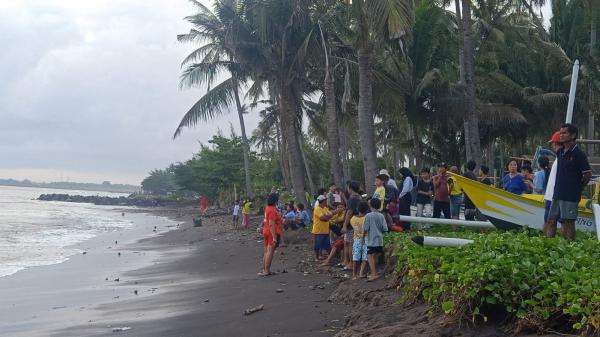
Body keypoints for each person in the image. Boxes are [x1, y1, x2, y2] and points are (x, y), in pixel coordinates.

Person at [545, 123, 592, 241]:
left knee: (568, 222)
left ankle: (569, 246)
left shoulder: (579, 154)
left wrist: (578, 187)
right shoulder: (560, 152)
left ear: (573, 135)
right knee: (551, 220)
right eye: (560, 133)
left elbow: (587, 175)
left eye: (564, 133)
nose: (561, 135)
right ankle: (548, 244)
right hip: (557, 193)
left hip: (571, 195)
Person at [363, 198, 388, 282]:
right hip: (380, 240)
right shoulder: (381, 215)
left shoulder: (368, 215)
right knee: (375, 256)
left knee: (369, 255)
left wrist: (363, 238)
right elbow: (385, 228)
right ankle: (374, 272)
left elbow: (365, 228)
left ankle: (374, 274)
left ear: (370, 205)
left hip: (372, 240)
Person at [312, 195, 343, 261]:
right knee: (318, 244)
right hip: (318, 230)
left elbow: (330, 213)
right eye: (325, 201)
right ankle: (316, 257)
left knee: (327, 244)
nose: (326, 202)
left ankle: (330, 257)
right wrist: (329, 216)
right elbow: (322, 218)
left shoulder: (325, 208)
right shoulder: (317, 209)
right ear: (322, 202)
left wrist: (337, 210)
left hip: (325, 230)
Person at [259, 193, 283, 276]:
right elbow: (271, 224)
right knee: (270, 251)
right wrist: (274, 237)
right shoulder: (272, 210)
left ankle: (265, 269)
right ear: (276, 201)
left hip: (266, 231)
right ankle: (266, 271)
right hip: (271, 232)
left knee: (266, 251)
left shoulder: (267, 208)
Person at [342, 181, 362, 271]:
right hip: (357, 222)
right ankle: (350, 262)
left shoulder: (352, 198)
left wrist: (345, 225)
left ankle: (351, 263)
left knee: (350, 244)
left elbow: (349, 212)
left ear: (350, 188)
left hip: (351, 223)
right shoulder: (359, 197)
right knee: (351, 243)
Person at [543, 131, 562, 223]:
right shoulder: (558, 158)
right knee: (549, 221)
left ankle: (548, 237)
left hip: (554, 196)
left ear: (555, 144)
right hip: (551, 196)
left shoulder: (561, 159)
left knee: (550, 221)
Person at [351, 201, 369, 280]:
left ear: (358, 209)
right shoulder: (367, 218)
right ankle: (361, 273)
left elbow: (355, 229)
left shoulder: (353, 219)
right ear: (367, 210)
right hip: (366, 239)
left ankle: (354, 274)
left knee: (356, 257)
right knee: (365, 257)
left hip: (357, 240)